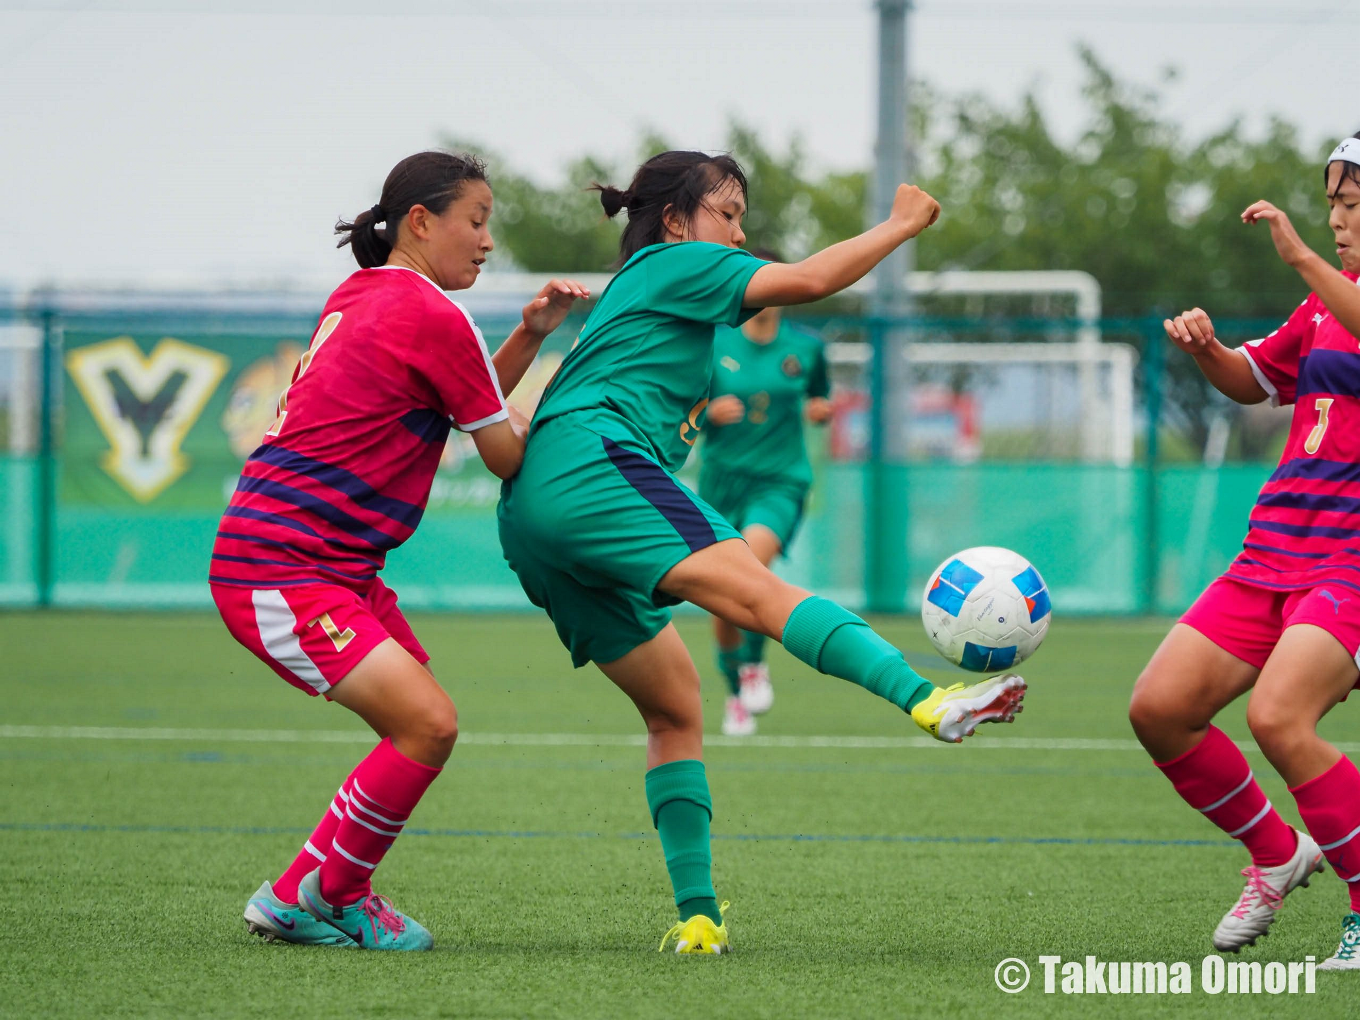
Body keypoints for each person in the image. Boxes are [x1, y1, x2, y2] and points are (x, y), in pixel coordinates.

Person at [497, 150, 1026, 955]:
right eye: (728, 214)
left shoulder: (657, 299)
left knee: (675, 709)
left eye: (742, 218)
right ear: (677, 219)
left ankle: (699, 919)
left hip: (535, 513)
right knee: (756, 589)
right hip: (591, 466)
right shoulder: (673, 262)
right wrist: (899, 224)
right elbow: (810, 280)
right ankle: (927, 699)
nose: (740, 235)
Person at [210, 150, 589, 950]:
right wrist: (579, 427)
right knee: (427, 725)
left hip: (327, 564)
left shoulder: (364, 293)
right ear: (421, 221)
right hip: (286, 565)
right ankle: (323, 893)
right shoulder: (431, 313)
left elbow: (464, 396)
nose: (487, 242)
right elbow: (504, 453)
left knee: (419, 722)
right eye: (476, 221)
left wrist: (528, 335)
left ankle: (311, 891)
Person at [1128, 135, 1360, 969]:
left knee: (1278, 718)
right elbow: (1255, 379)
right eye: (1333, 205)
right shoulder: (1327, 302)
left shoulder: (1331, 286)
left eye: (1351, 205)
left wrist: (1299, 255)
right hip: (1276, 548)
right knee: (1159, 709)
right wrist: (1207, 351)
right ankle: (1275, 851)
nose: (1336, 220)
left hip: (1352, 561)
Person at [697, 248, 833, 736]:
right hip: (721, 482)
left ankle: (754, 663)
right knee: (720, 595)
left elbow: (820, 395)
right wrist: (707, 413)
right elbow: (680, 412)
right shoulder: (712, 344)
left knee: (751, 565)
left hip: (781, 479)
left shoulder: (808, 348)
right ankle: (734, 689)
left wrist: (821, 409)